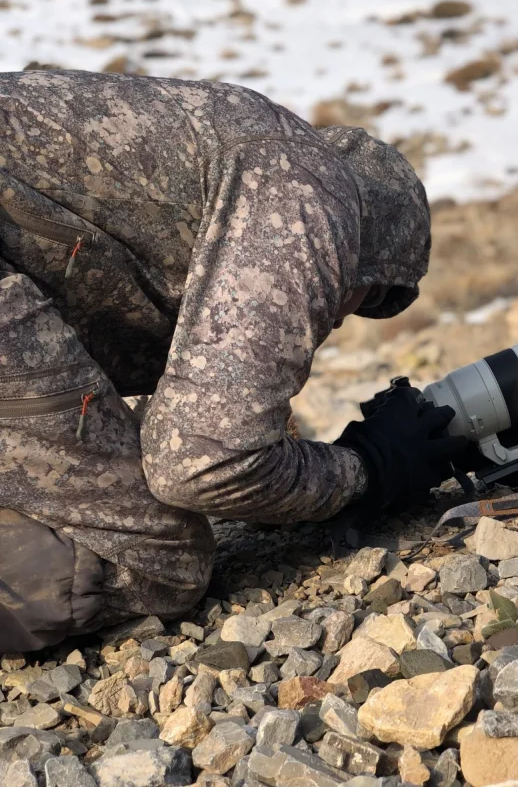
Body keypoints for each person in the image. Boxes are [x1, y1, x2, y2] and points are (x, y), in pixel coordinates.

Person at [0, 69, 467, 652]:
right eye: (368, 298)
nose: (343, 318)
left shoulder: (241, 148)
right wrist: (368, 468)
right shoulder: (312, 198)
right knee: (160, 559)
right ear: (365, 257)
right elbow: (200, 464)